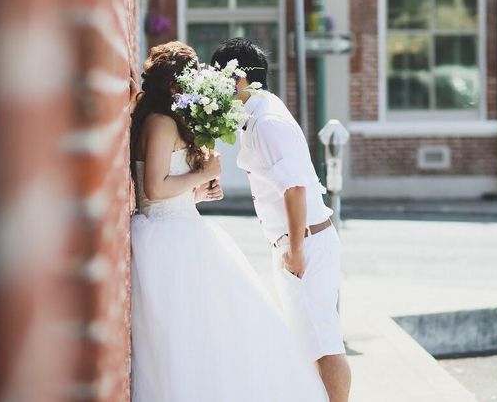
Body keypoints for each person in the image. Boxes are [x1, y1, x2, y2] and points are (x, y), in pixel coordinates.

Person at [130, 41, 328, 402]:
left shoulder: (172, 121)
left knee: (216, 329)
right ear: (174, 84)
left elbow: (169, 191)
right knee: (181, 337)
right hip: (164, 237)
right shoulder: (160, 123)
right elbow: (154, 190)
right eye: (192, 77)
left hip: (183, 228)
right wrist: (202, 174)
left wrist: (199, 192)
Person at [211, 38, 352, 402]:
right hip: (298, 243)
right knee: (309, 342)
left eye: (219, 78)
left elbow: (294, 188)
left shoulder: (268, 122)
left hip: (305, 245)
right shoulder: (260, 112)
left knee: (323, 343)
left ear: (239, 79)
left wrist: (296, 250)